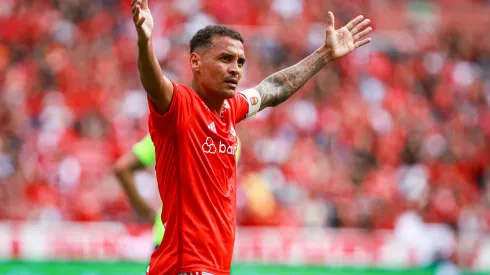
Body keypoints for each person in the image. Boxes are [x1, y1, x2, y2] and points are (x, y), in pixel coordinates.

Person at [131, 0, 372, 274]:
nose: (236, 69)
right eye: (225, 59)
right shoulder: (180, 105)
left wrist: (325, 55)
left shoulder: (230, 110)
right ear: (195, 62)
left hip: (214, 267)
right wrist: (144, 41)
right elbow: (152, 81)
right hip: (184, 266)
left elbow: (273, 88)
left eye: (240, 62)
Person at [113, 134, 242, 249]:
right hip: (210, 240)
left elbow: (122, 168)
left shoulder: (169, 129)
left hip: (169, 235)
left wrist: (145, 211)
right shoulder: (231, 139)